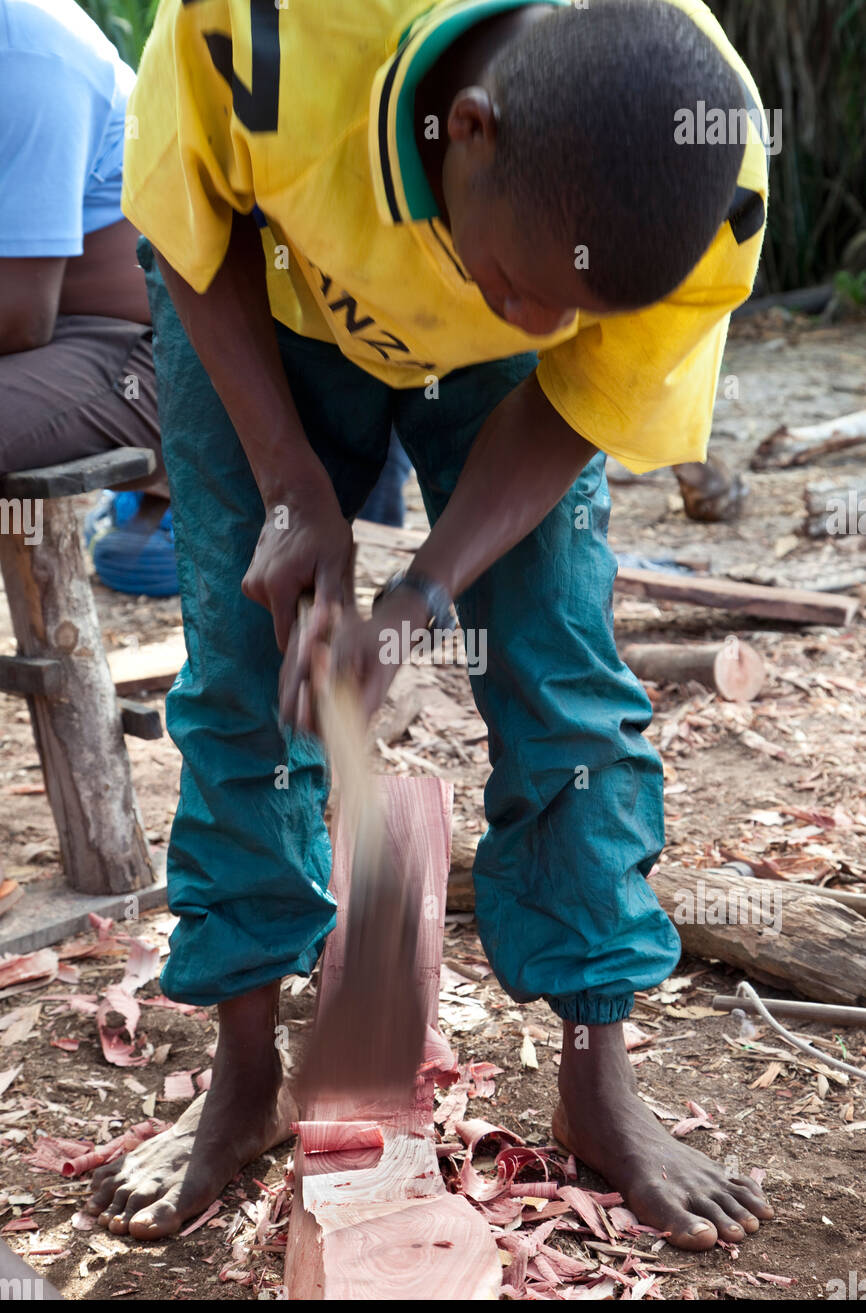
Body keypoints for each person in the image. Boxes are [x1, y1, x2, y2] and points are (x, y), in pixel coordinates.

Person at [86, 0, 774, 1249]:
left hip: (505, 324)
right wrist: (293, 487)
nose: (533, 329)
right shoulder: (269, 33)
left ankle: (594, 1078)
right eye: (520, 290)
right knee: (245, 667)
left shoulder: (700, 174)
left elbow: (573, 392)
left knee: (563, 669)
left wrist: (416, 599)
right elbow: (187, 226)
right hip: (273, 292)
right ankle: (245, 1071)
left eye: (567, 318)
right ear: (467, 129)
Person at [0, 0, 173, 593]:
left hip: (137, 349)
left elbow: (20, 316)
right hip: (48, 335)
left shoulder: (27, 50)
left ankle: (174, 494)